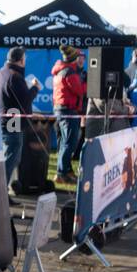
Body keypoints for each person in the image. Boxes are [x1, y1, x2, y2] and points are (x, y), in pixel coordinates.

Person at [0, 47, 39, 189]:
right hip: (12, 122)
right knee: (11, 158)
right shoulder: (14, 76)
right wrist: (35, 88)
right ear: (21, 60)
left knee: (9, 157)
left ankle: (4, 191)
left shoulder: (0, 73)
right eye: (25, 58)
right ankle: (1, 193)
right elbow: (25, 101)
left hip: (3, 120)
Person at [51, 44, 86, 184]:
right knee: (68, 143)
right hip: (68, 110)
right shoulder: (70, 73)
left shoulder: (60, 70)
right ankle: (61, 172)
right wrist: (89, 83)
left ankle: (65, 170)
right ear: (73, 59)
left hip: (60, 109)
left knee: (64, 142)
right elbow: (79, 90)